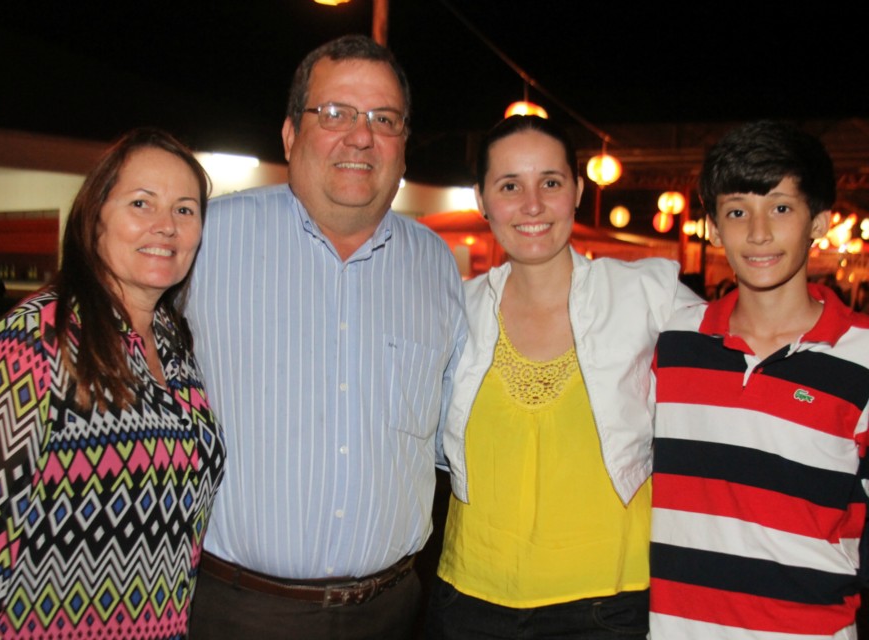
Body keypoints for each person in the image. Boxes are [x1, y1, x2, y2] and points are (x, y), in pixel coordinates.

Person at [185, 35, 466, 640]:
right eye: (334, 113)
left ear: (404, 145)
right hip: (239, 612)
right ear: (290, 135)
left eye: (383, 119)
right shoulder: (205, 243)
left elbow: (449, 436)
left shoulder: (437, 267)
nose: (360, 136)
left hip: (392, 612)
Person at [0, 128, 225, 639]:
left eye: (185, 210)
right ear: (93, 217)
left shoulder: (171, 342)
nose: (166, 226)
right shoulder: (31, 344)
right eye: (142, 203)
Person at [428, 115, 701, 639]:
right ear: (483, 199)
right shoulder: (453, 312)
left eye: (550, 182)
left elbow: (740, 355)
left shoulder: (647, 295)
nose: (532, 205)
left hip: (605, 608)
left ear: (577, 190)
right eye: (510, 186)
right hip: (467, 602)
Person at [649, 120, 869, 639]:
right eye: (737, 211)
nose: (759, 232)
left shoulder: (861, 356)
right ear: (713, 226)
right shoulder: (673, 343)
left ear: (819, 221)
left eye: (781, 208)